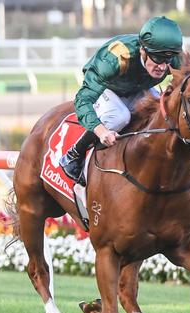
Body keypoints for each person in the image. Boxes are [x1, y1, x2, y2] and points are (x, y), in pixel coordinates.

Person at [60, 16, 183, 186]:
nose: (162, 66)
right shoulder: (116, 58)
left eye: (167, 60)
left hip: (137, 87)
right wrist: (102, 131)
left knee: (161, 112)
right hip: (109, 87)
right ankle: (74, 153)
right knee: (120, 116)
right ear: (143, 51)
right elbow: (82, 100)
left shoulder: (173, 58)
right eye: (157, 59)